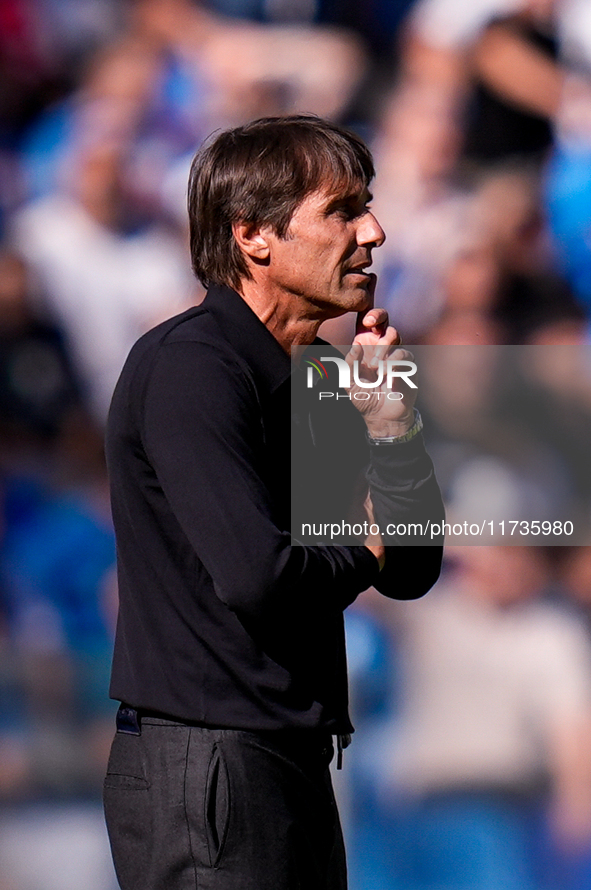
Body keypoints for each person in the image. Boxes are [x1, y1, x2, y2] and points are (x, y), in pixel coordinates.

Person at [103, 114, 444, 890]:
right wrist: (367, 546)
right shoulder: (193, 366)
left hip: (285, 762)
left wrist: (392, 426)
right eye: (343, 210)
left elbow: (410, 569)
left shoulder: (315, 376)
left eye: (368, 206)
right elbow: (260, 575)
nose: (375, 232)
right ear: (253, 235)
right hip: (209, 769)